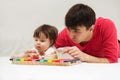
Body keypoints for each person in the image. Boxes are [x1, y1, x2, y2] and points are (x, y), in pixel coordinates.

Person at [55, 3, 120, 63]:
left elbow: (112, 60)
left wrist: (85, 57)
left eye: (76, 31)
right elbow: (54, 52)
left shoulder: (106, 26)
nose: (71, 35)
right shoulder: (65, 34)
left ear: (91, 28)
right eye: (68, 29)